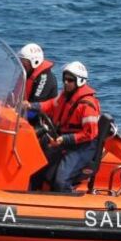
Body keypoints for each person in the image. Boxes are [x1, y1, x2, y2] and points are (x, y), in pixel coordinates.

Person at [24, 61, 100, 192]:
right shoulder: (64, 97)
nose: (66, 82)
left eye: (70, 80)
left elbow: (89, 134)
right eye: (64, 79)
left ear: (80, 81)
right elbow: (50, 105)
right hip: (65, 140)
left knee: (61, 180)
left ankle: (69, 200)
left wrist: (66, 139)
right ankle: (33, 194)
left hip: (83, 146)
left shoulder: (87, 105)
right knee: (37, 167)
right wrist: (32, 106)